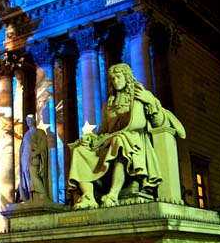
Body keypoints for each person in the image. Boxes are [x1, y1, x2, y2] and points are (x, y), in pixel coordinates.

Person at [68, 63, 185, 210]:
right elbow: (103, 130)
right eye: (112, 78)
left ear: (127, 77)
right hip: (109, 142)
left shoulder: (139, 97)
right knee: (80, 149)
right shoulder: (108, 105)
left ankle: (113, 194)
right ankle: (88, 196)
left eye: (118, 77)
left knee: (120, 141)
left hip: (134, 141)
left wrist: (150, 102)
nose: (115, 81)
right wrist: (90, 138)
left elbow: (154, 122)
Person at [18, 114, 52, 202]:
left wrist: (35, 153)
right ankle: (32, 197)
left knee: (34, 175)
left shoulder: (40, 132)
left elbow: (43, 145)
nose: (28, 122)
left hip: (34, 157)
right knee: (27, 177)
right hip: (25, 158)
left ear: (34, 121)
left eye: (30, 120)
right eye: (27, 121)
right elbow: (23, 147)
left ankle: (42, 194)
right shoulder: (26, 134)